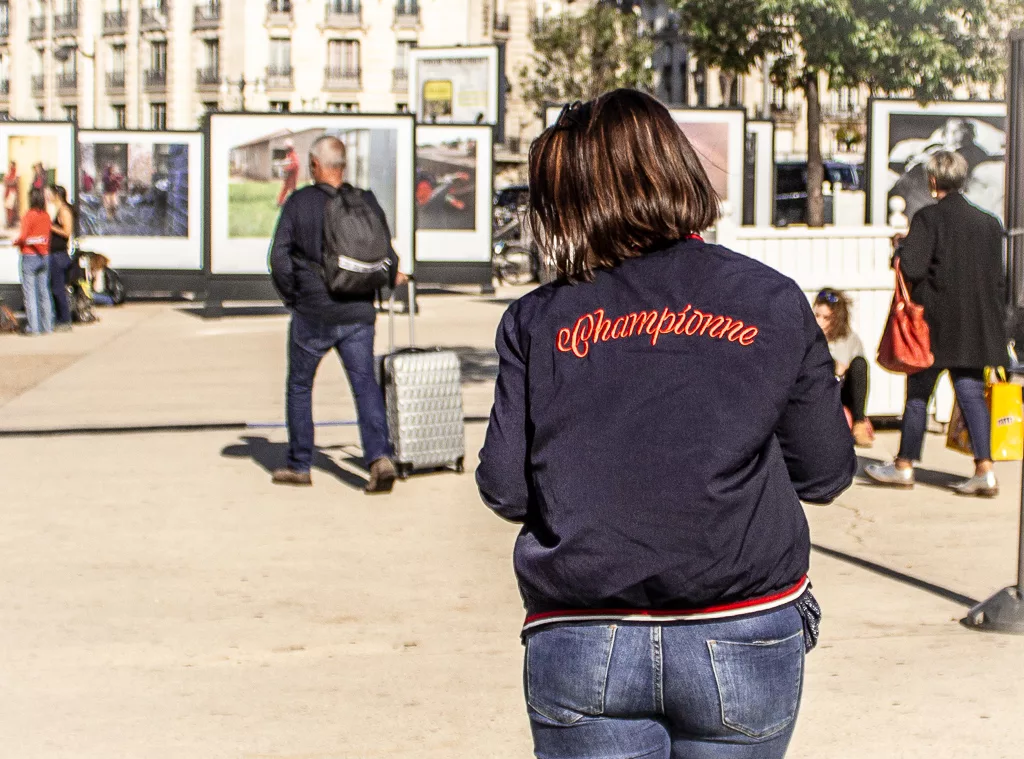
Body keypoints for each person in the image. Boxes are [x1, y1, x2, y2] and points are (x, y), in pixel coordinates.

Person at [476, 90, 856, 759]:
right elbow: (825, 471)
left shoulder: (537, 320)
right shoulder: (769, 299)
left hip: (583, 630)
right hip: (741, 624)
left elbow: (506, 489)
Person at [268, 135, 407, 493]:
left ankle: (300, 464)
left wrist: (294, 298)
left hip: (313, 312)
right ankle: (379, 458)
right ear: (343, 166)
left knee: (300, 385)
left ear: (315, 165)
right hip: (359, 311)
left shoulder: (299, 204)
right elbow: (385, 256)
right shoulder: (365, 203)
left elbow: (279, 259)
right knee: (365, 386)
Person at [867, 151, 1007, 497]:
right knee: (971, 394)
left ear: (932, 181)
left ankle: (904, 465)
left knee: (918, 395)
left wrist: (899, 250)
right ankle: (984, 470)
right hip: (976, 327)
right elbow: (997, 278)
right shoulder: (988, 223)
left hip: (932, 327)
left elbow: (913, 269)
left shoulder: (928, 218)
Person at [813, 288, 873, 447]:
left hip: (841, 390)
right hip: (818, 391)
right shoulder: (809, 337)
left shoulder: (849, 338)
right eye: (816, 316)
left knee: (860, 363)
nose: (820, 322)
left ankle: (859, 424)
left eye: (826, 318)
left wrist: (842, 369)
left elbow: (856, 372)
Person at [11, 187, 53, 335]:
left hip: (29, 256)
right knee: (44, 292)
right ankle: (47, 326)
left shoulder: (29, 215)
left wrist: (15, 242)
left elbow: (23, 236)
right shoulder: (46, 215)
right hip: (45, 256)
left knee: (30, 294)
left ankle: (33, 327)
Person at [46, 185, 74, 331]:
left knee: (58, 289)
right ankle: (58, 317)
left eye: (50, 194)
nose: (48, 196)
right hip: (53, 254)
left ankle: (65, 319)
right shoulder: (56, 209)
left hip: (59, 255)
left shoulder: (63, 210)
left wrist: (51, 227)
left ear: (57, 195)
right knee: (54, 288)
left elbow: (67, 232)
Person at [277, 139, 300, 207]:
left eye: (287, 147)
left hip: (292, 175)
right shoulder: (289, 154)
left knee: (292, 189)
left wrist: (286, 169)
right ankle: (280, 202)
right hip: (289, 175)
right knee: (286, 188)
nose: (286, 149)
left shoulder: (293, 155)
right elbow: (287, 162)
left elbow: (295, 165)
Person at [4, 161, 19, 229]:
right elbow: (5, 181)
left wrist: (8, 182)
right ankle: (8, 222)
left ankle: (11, 222)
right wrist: (8, 182)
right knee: (7, 208)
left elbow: (14, 182)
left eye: (11, 166)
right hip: (7, 193)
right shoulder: (7, 173)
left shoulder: (16, 173)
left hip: (12, 193)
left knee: (12, 209)